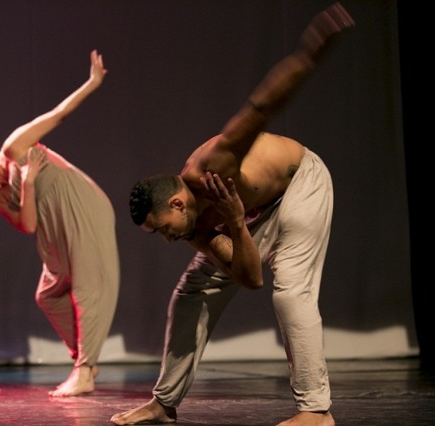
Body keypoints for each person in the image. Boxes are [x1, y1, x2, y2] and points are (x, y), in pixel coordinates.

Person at [112, 3, 354, 426]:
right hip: (251, 213)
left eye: (161, 230)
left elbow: (261, 106)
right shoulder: (195, 226)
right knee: (190, 295)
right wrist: (239, 223)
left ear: (176, 203)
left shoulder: (213, 164)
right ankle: (163, 403)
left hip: (302, 184)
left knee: (292, 292)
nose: (167, 239)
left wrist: (310, 52)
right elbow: (250, 278)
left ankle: (316, 411)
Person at [0, 50, 120, 398]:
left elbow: (59, 115)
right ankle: (84, 357)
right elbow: (29, 226)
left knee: (87, 287)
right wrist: (27, 185)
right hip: (52, 228)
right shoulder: (2, 199)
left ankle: (85, 371)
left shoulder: (14, 146)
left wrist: (92, 83)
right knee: (48, 295)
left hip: (79, 206)